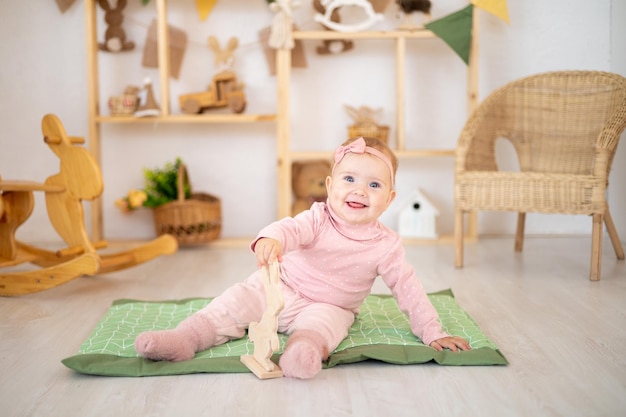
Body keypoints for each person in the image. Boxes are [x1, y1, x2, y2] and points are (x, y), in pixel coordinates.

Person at [135, 136, 471, 379]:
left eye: (374, 185)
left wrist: (432, 331)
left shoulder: (386, 245)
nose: (359, 190)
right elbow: (290, 228)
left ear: (390, 199)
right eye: (349, 179)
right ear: (330, 185)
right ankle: (185, 338)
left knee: (324, 327)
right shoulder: (318, 217)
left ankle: (302, 352)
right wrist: (272, 238)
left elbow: (407, 288)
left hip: (330, 305)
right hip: (280, 287)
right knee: (233, 302)